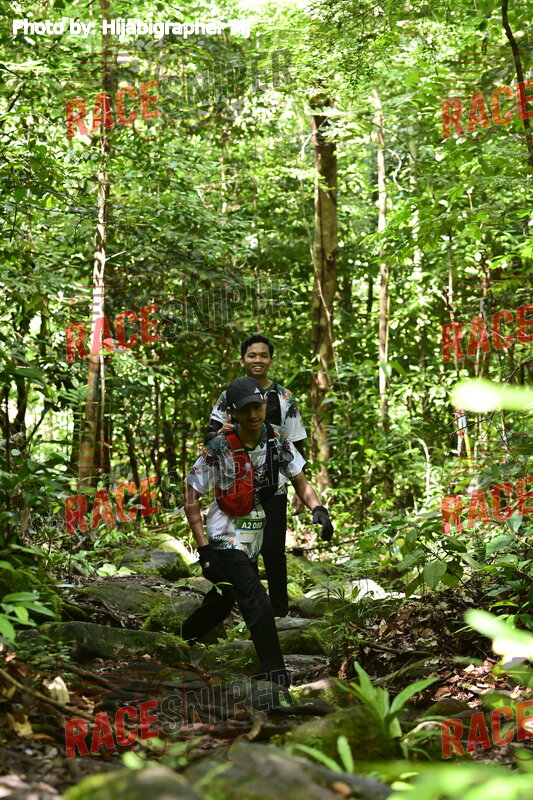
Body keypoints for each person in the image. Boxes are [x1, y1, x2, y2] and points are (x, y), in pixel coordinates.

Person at [182, 376, 333, 687]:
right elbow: (191, 491)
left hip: (253, 534)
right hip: (225, 534)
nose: (253, 415)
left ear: (265, 404)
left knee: (224, 598)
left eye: (257, 407)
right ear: (233, 413)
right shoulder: (219, 447)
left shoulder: (277, 438)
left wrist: (318, 508)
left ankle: (181, 639)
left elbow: (299, 480)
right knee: (257, 599)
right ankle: (275, 676)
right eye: (245, 410)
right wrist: (204, 548)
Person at [206, 334, 309, 617]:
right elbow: (211, 434)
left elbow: (296, 442)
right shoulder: (229, 395)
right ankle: (251, 610)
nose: (258, 360)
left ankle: (279, 611)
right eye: (252, 355)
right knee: (243, 550)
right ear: (243, 360)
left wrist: (302, 489)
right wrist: (222, 432)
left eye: (263, 355)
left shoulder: (284, 397)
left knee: (274, 550)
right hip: (238, 487)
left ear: (271, 360)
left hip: (275, 485)